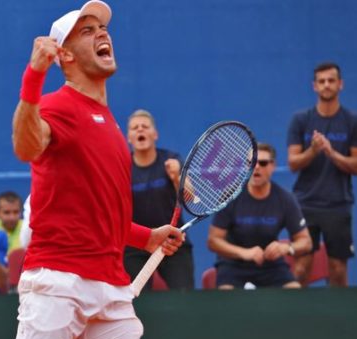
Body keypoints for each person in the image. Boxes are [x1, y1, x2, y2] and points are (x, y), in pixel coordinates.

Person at [0, 2, 183, 339]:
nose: (102, 34)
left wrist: (145, 237)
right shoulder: (57, 106)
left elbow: (98, 214)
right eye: (87, 31)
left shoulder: (110, 124)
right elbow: (25, 146)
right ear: (65, 55)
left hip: (111, 287)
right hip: (59, 281)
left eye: (102, 28)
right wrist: (33, 77)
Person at [287, 62, 357, 287]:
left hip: (338, 205)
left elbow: (355, 165)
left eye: (331, 80)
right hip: (305, 204)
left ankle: (340, 321)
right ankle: (298, 319)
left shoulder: (352, 121)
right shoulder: (301, 120)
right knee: (301, 267)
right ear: (314, 86)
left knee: (337, 268)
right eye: (322, 81)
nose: (327, 85)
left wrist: (330, 152)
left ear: (340, 84)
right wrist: (314, 150)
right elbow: (293, 163)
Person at [208, 143, 312, 289]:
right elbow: (213, 241)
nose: (256, 167)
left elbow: (306, 242)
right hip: (233, 265)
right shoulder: (231, 196)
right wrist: (244, 253)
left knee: (293, 291)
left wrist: (286, 248)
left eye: (262, 163)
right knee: (226, 295)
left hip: (271, 266)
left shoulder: (285, 199)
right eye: (251, 163)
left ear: (273, 166)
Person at [124, 109, 195, 290]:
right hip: (136, 244)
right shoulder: (123, 167)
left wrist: (176, 176)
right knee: (133, 301)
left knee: (185, 299)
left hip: (173, 242)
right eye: (135, 128)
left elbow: (191, 198)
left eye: (145, 127)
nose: (140, 130)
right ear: (129, 138)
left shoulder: (171, 160)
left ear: (155, 134)